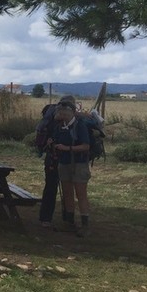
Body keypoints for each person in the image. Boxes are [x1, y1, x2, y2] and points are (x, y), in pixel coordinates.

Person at [50, 99, 92, 236]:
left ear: (73, 113)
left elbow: (86, 146)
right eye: (61, 113)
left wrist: (67, 148)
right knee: (67, 193)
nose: (63, 115)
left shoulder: (80, 126)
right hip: (64, 162)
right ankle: (69, 222)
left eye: (66, 113)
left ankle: (85, 225)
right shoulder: (60, 126)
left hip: (79, 164)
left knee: (81, 194)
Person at [37, 94, 75, 228]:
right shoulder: (72, 119)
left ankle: (45, 218)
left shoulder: (50, 117)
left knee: (50, 187)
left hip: (51, 158)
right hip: (65, 158)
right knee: (68, 188)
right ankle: (68, 217)